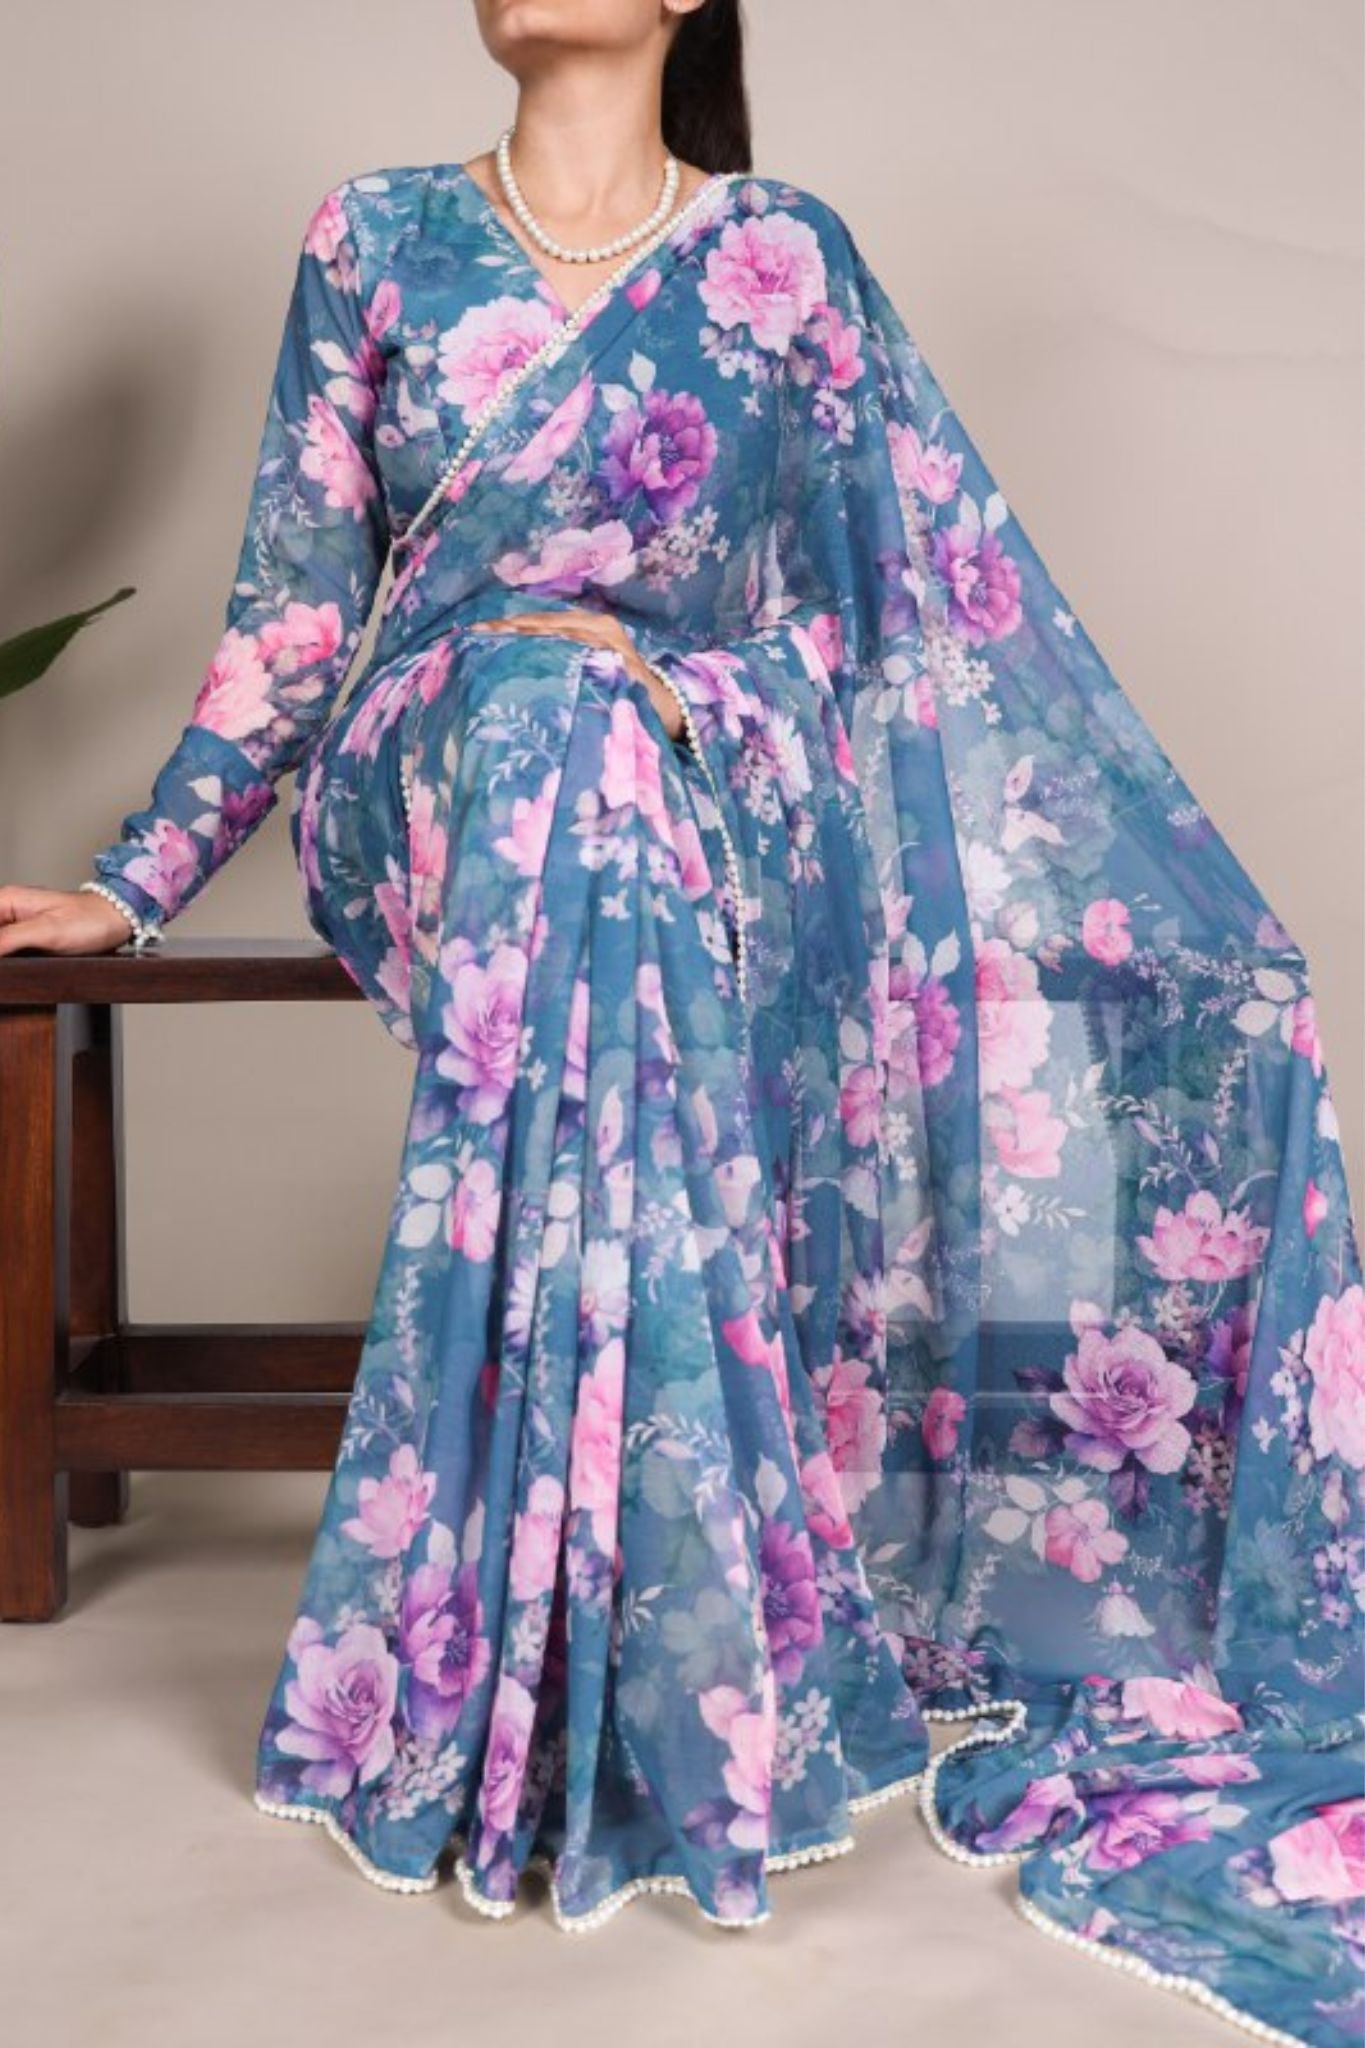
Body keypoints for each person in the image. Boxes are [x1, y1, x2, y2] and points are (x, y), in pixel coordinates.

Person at [3, 2, 1360, 2038]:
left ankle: (574, 1655)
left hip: (703, 781)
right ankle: (668, 1665)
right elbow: (296, 615)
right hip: (441, 769)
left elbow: (881, 622)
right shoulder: (375, 236)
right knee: (544, 716)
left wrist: (676, 691)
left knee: (595, 748)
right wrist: (137, 880)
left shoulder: (780, 257)